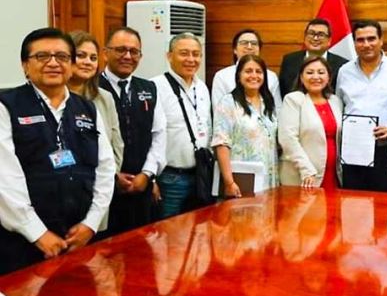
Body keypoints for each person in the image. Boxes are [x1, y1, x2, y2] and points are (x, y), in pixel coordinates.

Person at [0, 28, 115, 275]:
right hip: (22, 240)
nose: (53, 63)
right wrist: (36, 232)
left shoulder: (87, 108)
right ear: (25, 65)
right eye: (42, 56)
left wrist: (91, 223)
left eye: (62, 57)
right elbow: (5, 179)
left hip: (79, 236)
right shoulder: (7, 106)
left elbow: (105, 168)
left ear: (71, 65)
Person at [100, 27, 166, 235]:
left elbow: (159, 134)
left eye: (134, 51)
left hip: (141, 186)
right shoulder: (92, 88)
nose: (127, 56)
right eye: (121, 50)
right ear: (105, 53)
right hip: (105, 190)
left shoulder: (149, 88)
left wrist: (147, 174)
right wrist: (113, 176)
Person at [336, 20, 387, 193]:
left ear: (381, 40)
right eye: (360, 40)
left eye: (371, 39)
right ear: (354, 43)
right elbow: (339, 106)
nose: (366, 44)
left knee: (385, 203)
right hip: (353, 151)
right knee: (353, 202)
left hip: (386, 149)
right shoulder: (344, 71)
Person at [152, 33, 212, 218]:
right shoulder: (155, 87)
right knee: (170, 232)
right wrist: (151, 178)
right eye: (184, 53)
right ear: (169, 56)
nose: (191, 59)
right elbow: (149, 136)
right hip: (170, 179)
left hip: (201, 175)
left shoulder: (202, 87)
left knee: (199, 230)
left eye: (196, 54)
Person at [212, 54, 278, 197]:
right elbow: (221, 143)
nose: (254, 75)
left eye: (258, 71)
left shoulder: (268, 102)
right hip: (241, 178)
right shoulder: (228, 103)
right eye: (248, 71)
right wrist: (229, 182)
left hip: (268, 178)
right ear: (239, 76)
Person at [278, 56, 343, 189]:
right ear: (301, 78)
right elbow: (288, 138)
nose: (315, 77)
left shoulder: (335, 101)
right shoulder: (293, 100)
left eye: (321, 72)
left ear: (329, 77)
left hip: (333, 175)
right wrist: (306, 169)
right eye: (309, 72)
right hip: (304, 176)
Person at [68, 30, 123, 174]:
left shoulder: (105, 97)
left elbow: (116, 144)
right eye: (81, 55)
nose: (87, 62)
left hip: (102, 179)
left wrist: (111, 175)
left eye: (93, 58)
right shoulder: (54, 97)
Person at [211, 29, 281, 110]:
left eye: (254, 43)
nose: (249, 47)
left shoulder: (271, 76)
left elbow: (277, 109)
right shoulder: (222, 76)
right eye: (244, 43)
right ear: (235, 49)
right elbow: (219, 110)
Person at [278, 19, 348, 95]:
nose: (315, 38)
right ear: (305, 37)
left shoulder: (342, 64)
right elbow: (283, 90)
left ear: (329, 40)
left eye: (321, 35)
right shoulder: (289, 60)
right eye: (311, 33)